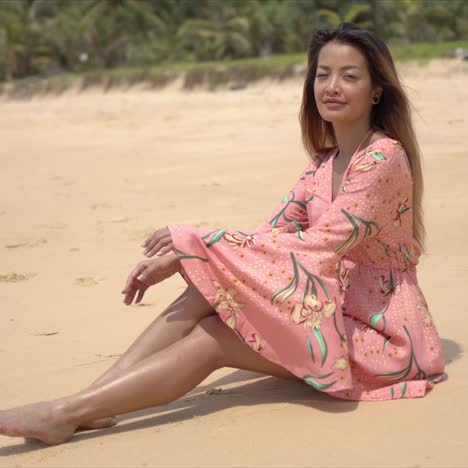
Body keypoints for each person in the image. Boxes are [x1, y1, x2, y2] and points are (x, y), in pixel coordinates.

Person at [0, 22, 445, 446]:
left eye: (349, 76)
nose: (331, 86)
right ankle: (91, 402)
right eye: (322, 74)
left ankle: (64, 414)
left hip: (379, 335)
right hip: (330, 306)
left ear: (376, 92)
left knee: (216, 337)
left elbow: (319, 244)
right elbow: (272, 234)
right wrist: (193, 258)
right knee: (211, 290)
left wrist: (194, 243)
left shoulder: (383, 158)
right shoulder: (321, 165)